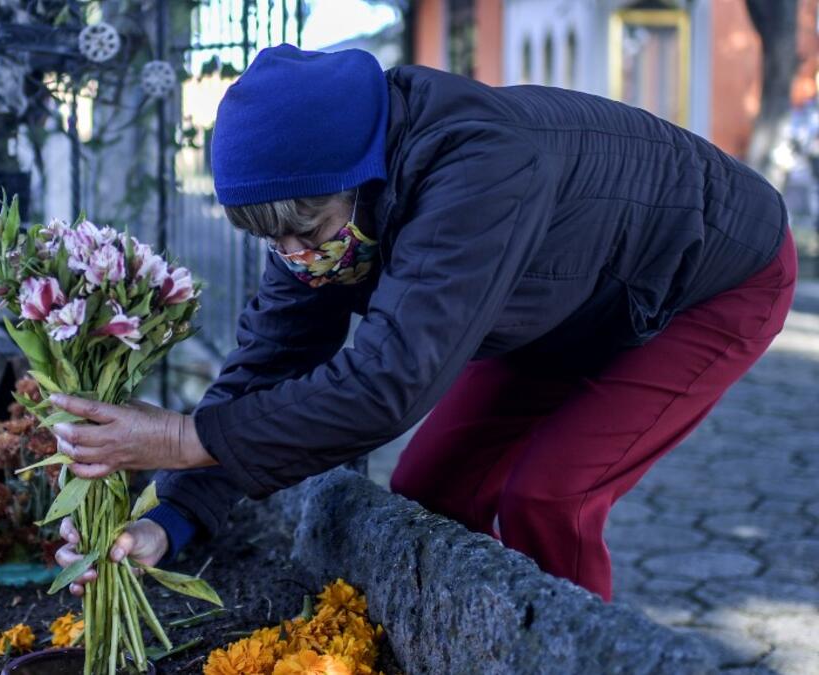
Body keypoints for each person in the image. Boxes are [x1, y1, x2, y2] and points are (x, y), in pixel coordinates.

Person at [51, 45, 797, 602]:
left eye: (304, 231)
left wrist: (184, 439)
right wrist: (171, 521)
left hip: (708, 283)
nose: (295, 255)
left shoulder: (479, 167)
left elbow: (386, 385)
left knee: (550, 494)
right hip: (561, 303)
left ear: (359, 173)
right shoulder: (320, 202)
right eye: (271, 241)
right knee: (430, 485)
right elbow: (270, 362)